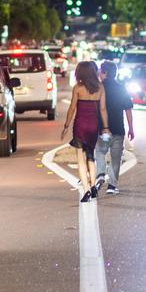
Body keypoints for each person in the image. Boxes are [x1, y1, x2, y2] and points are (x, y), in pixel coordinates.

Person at [60, 61, 109, 203]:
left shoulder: (78, 88)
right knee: (90, 157)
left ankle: (87, 190)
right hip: (94, 126)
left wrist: (66, 125)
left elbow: (72, 108)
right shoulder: (100, 88)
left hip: (80, 126)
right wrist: (105, 127)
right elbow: (103, 110)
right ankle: (94, 187)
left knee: (81, 160)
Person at [95, 61, 134, 195]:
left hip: (102, 129)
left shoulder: (98, 88)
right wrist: (131, 128)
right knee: (115, 157)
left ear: (105, 73)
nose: (99, 73)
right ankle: (112, 185)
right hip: (118, 129)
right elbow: (128, 109)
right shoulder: (121, 88)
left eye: (100, 70)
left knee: (100, 152)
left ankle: (100, 173)